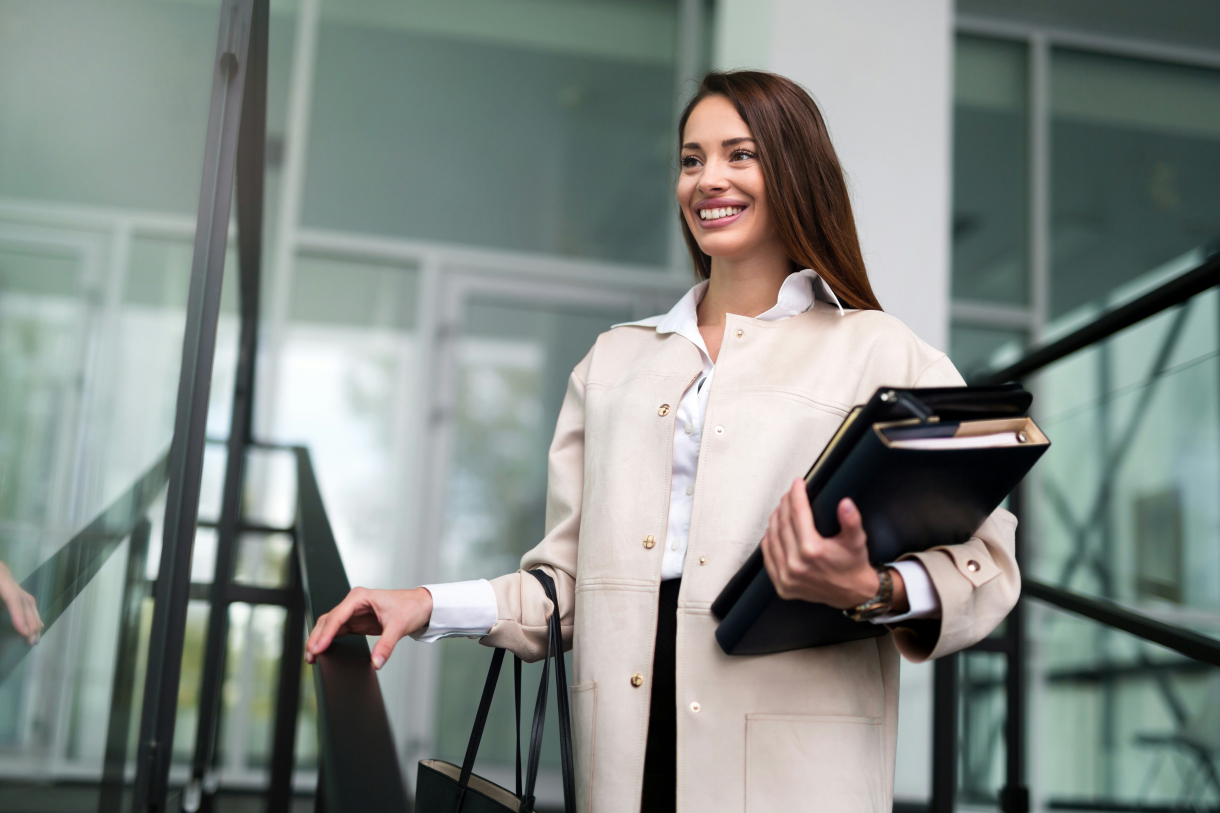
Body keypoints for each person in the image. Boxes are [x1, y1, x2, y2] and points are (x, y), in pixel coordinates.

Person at [304, 71, 1019, 813]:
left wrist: (871, 589)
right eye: (691, 159)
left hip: (795, 771)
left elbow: (988, 560)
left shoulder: (879, 351)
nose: (709, 179)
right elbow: (567, 585)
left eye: (740, 155)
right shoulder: (614, 361)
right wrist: (424, 604)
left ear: (795, 171)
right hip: (630, 754)